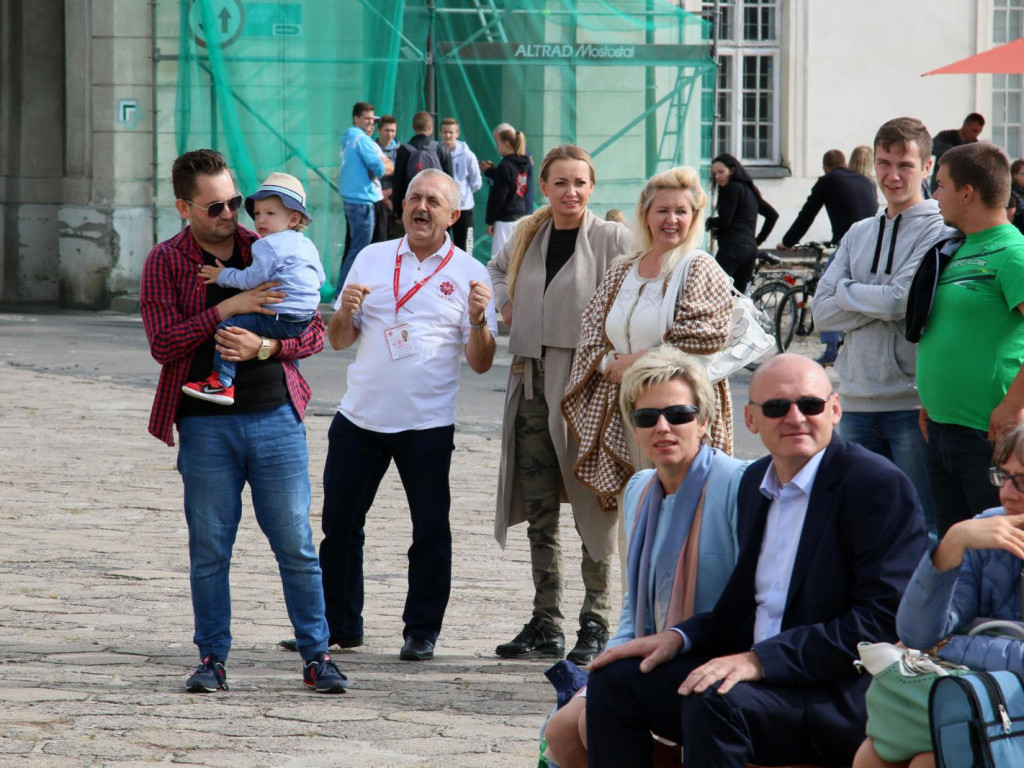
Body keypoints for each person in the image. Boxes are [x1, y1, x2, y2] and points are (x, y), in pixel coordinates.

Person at [584, 353, 927, 767]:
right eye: (777, 407)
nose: (795, 417)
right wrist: (680, 637)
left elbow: (882, 620)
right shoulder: (755, 483)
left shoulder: (875, 485)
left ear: (834, 409)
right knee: (614, 681)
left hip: (834, 692)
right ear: (751, 419)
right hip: (758, 679)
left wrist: (760, 660)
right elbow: (740, 608)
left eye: (810, 405)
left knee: (713, 702)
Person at [139, 149, 347, 694]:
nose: (231, 214)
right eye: (215, 207)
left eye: (235, 201)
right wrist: (227, 310)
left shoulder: (270, 244)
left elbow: (313, 332)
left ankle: (317, 656)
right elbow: (163, 344)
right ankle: (212, 658)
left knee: (296, 545)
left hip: (276, 415)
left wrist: (265, 346)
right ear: (184, 207)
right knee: (210, 549)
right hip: (204, 425)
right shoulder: (165, 261)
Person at [311, 169, 496, 662]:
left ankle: (421, 631)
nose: (421, 206)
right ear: (401, 206)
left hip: (426, 425)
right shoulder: (371, 257)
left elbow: (480, 363)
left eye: (434, 201)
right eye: (415, 196)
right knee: (340, 526)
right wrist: (344, 312)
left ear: (453, 215)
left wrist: (478, 320)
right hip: (360, 419)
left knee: (430, 532)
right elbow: (339, 340)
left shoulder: (470, 274)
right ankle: (339, 626)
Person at [544, 347, 748, 768]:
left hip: (718, 654)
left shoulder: (736, 484)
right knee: (561, 730)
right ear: (633, 429)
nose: (663, 427)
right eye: (646, 417)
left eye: (679, 414)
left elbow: (754, 602)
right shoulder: (639, 490)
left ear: (704, 420)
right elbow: (633, 606)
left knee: (593, 721)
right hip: (655, 656)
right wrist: (604, 667)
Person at [489, 144, 630, 666]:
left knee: (595, 502)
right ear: (543, 185)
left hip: (586, 387)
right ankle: (545, 619)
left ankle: (596, 620)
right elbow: (495, 270)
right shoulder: (528, 232)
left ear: (592, 187)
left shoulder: (613, 237)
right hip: (529, 382)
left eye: (580, 183)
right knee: (540, 505)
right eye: (561, 182)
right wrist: (505, 300)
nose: (571, 192)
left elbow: (640, 288)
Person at [563, 165, 736, 512]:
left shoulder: (699, 266)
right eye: (663, 210)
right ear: (645, 215)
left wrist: (639, 361)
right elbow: (591, 332)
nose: (671, 219)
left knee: (681, 511)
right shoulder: (623, 269)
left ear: (694, 217)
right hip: (626, 410)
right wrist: (613, 364)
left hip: (680, 416)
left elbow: (704, 337)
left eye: (681, 211)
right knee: (636, 512)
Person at [852, 424, 1024, 768]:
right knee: (873, 755)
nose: (1007, 494)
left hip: (1004, 703)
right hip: (987, 699)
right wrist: (953, 542)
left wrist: (949, 645)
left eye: (1022, 480)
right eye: (1003, 477)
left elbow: (932, 644)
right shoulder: (989, 530)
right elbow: (919, 634)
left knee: (932, 763)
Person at [814, 117, 951, 542]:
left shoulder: (939, 229)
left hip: (910, 405)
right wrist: (881, 299)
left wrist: (850, 292)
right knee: (861, 528)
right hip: (854, 401)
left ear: (927, 167)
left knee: (921, 528)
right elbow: (821, 313)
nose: (892, 175)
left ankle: (921, 613)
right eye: (884, 163)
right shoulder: (859, 232)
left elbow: (901, 302)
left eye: (905, 165)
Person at [918, 142, 1024, 536]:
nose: (935, 195)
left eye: (940, 185)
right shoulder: (959, 247)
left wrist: (1013, 406)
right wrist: (933, 398)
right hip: (943, 428)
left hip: (988, 436)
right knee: (955, 552)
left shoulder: (1013, 253)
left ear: (967, 192)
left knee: (996, 558)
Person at [182, 172, 325, 406]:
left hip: (281, 317)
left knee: (229, 328)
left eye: (270, 213)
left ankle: (222, 382)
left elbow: (250, 280)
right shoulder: (306, 245)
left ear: (292, 219)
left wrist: (222, 275)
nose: (261, 220)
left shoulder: (266, 245)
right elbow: (319, 278)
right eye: (257, 213)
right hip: (304, 317)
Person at [337, 101, 392, 293]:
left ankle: (344, 292)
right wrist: (383, 164)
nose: (371, 123)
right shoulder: (363, 140)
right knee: (360, 251)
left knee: (355, 248)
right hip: (362, 201)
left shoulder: (348, 137)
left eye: (372, 119)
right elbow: (379, 168)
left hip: (353, 199)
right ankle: (343, 293)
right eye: (367, 119)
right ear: (356, 118)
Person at [776, 149, 879, 251]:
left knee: (832, 268)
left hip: (848, 242)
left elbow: (807, 215)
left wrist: (788, 242)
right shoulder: (866, 181)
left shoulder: (827, 181)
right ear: (845, 165)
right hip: (873, 242)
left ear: (825, 169)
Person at [706, 153, 779, 292]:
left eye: (721, 172)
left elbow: (725, 220)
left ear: (732, 170)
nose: (717, 177)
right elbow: (772, 215)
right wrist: (755, 242)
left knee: (715, 292)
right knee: (738, 298)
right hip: (749, 251)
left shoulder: (732, 188)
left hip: (732, 249)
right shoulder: (749, 190)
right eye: (714, 173)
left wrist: (708, 222)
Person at [485, 128, 531, 260]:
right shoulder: (524, 163)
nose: (497, 147)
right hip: (520, 215)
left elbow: (499, 196)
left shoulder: (505, 165)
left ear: (506, 144)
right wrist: (492, 171)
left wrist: (490, 220)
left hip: (505, 219)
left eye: (498, 144)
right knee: (516, 258)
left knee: (499, 259)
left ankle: (498, 282)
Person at [439, 117, 483, 253]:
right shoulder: (436, 151)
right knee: (439, 244)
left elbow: (476, 182)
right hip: (442, 208)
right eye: (445, 132)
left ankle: (465, 273)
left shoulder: (468, 155)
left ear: (457, 133)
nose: (448, 135)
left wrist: (461, 195)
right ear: (440, 133)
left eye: (451, 132)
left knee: (464, 247)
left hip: (463, 209)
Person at [392, 111, 448, 216]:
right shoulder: (440, 149)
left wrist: (397, 211)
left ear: (413, 127)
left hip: (412, 204)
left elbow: (398, 182)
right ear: (431, 128)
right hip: (436, 203)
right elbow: (450, 180)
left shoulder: (404, 150)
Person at [930, 112, 984, 191]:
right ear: (965, 125)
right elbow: (931, 148)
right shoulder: (946, 136)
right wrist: (954, 151)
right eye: (974, 131)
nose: (975, 135)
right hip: (939, 184)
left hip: (960, 187)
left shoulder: (974, 146)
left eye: (978, 132)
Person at [372, 114, 399, 243]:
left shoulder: (401, 150)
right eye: (387, 130)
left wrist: (389, 193)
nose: (390, 134)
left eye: (392, 131)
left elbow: (404, 177)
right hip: (375, 201)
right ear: (379, 130)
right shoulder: (371, 148)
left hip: (394, 202)